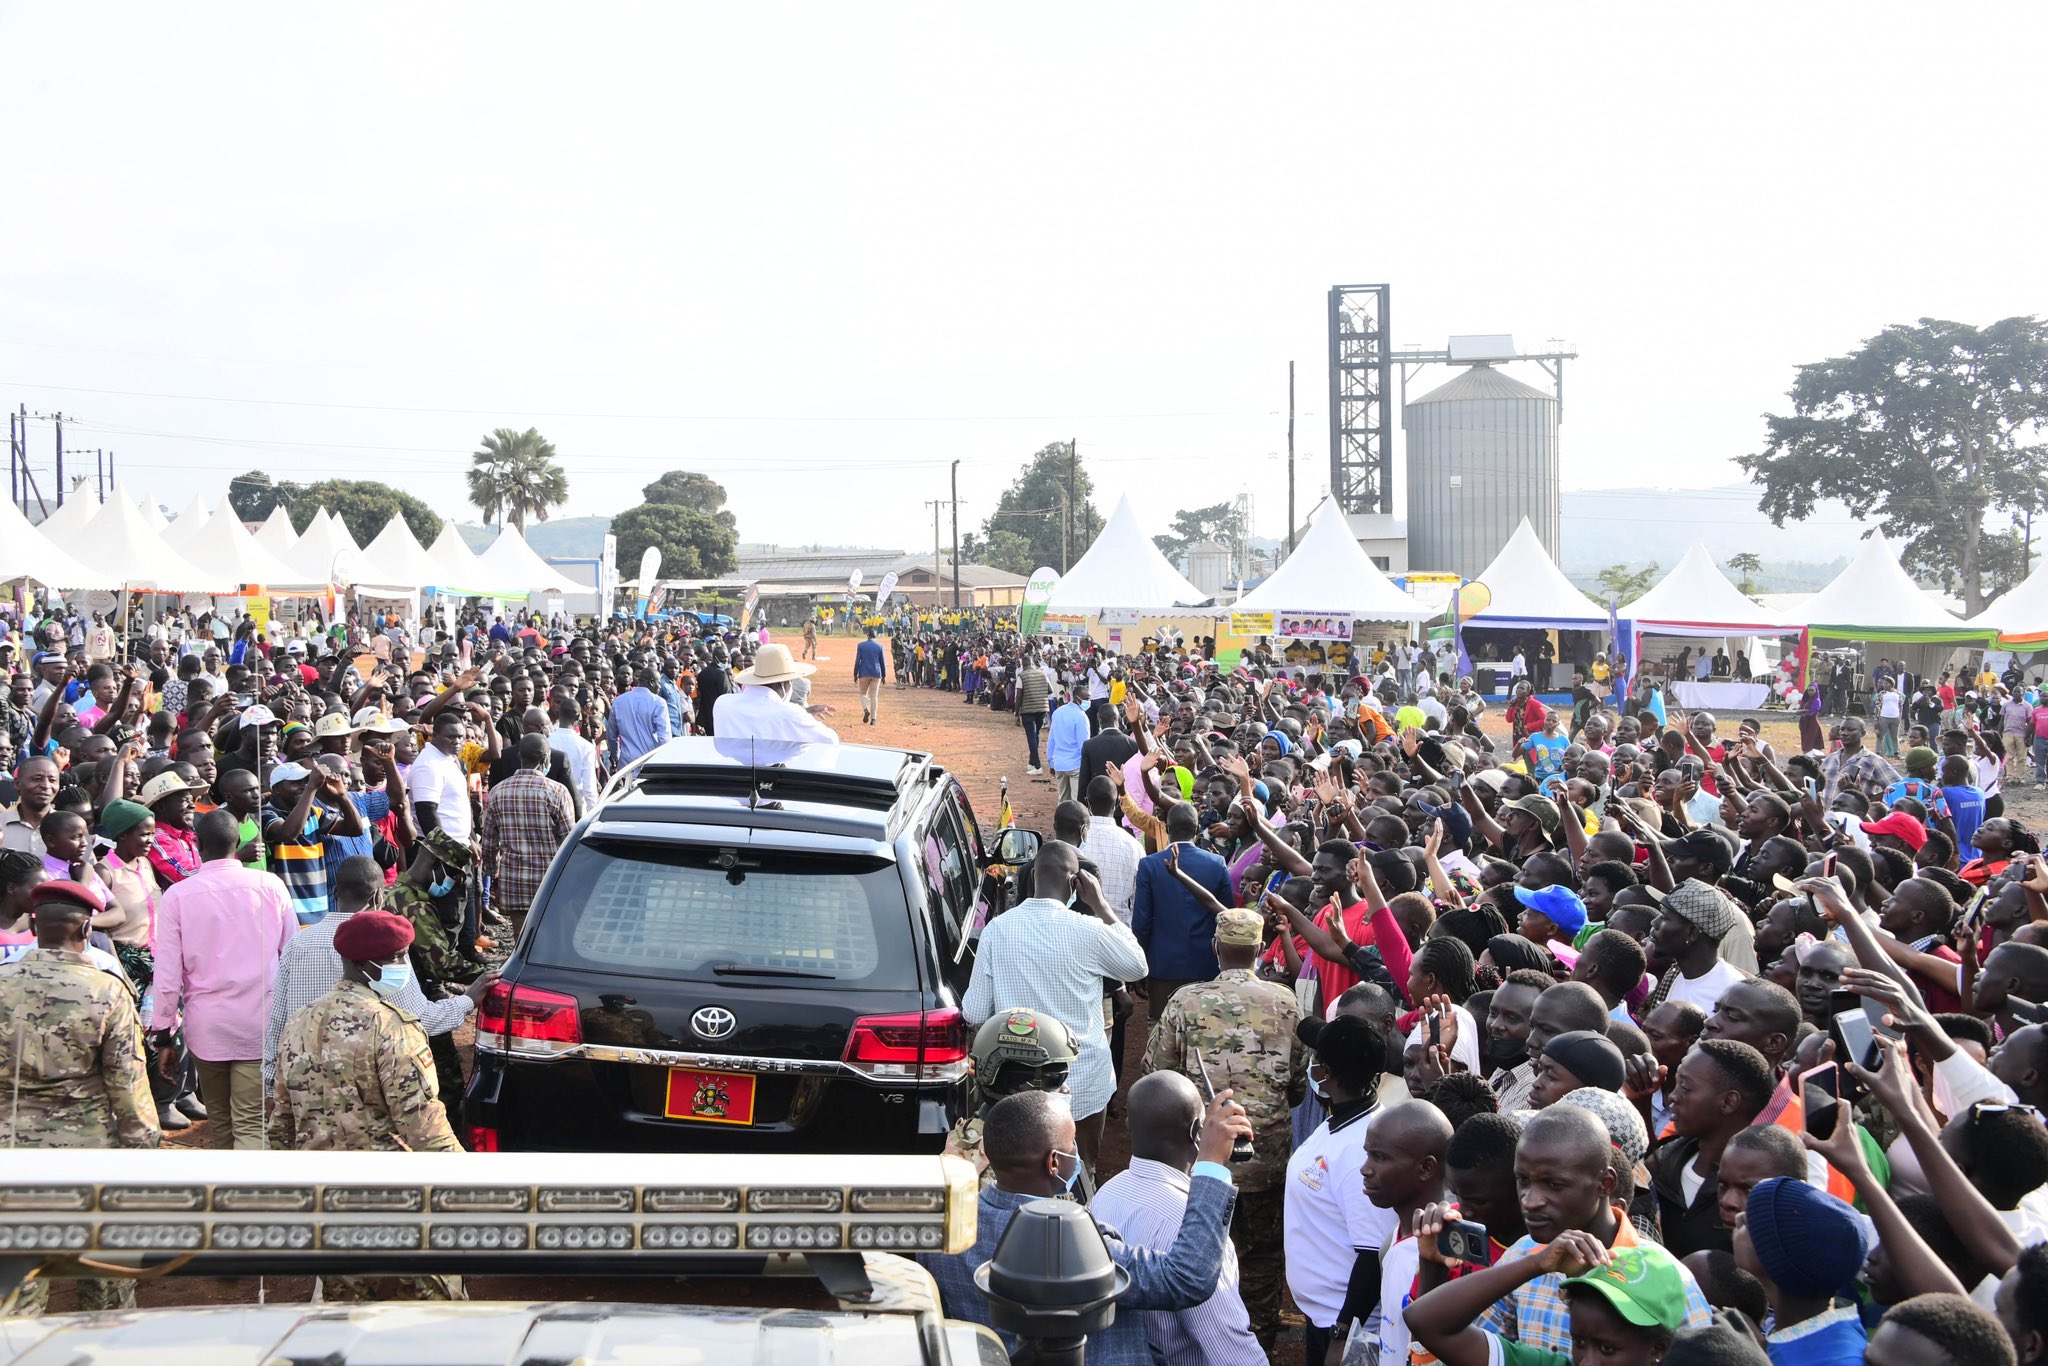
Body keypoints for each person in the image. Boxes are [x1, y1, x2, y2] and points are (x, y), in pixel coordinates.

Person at [921, 1087, 1251, 1362]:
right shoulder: (1071, 1243)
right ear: (1054, 1162)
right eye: (1072, 1143)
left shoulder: (946, 1228)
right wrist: (1210, 1165)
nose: (1076, 1152)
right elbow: (1186, 1278)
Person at [268, 906, 464, 1303]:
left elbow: (281, 1122)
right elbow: (423, 1126)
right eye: (399, 958)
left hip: (327, 1203)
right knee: (433, 1318)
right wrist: (471, 1184)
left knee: (347, 1319)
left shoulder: (301, 1022)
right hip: (391, 1205)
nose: (403, 965)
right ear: (370, 964)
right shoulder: (393, 1028)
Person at [1143, 906, 1306, 1348]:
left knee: (1196, 1248)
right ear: (1258, 950)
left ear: (1216, 948)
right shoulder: (1287, 1001)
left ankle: (1199, 1340)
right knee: (1262, 1257)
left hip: (1202, 1157)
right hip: (1265, 1155)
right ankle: (1257, 1343)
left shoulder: (1185, 1000)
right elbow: (1297, 1085)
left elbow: (1159, 1075)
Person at [0, 878, 159, 1312]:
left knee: (14, 1288)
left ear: (34, 925)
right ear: (87, 930)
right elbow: (128, 1086)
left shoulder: (2, 983)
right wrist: (144, 1157)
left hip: (12, 1157)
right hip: (89, 1155)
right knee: (103, 1278)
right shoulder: (106, 989)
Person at [962, 839, 1147, 1174]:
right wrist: (1103, 906)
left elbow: (974, 1013)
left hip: (1017, 1083)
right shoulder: (1090, 930)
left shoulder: (996, 930)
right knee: (1081, 1172)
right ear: (1075, 882)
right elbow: (1137, 967)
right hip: (1085, 1081)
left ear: (1033, 877)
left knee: (1019, 1174)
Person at [1476, 1106, 1713, 1352]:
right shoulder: (1523, 1255)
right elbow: (1461, 1343)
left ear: (1605, 1183)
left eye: (1554, 1185)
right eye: (1523, 1180)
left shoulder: (1667, 1277)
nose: (1530, 1200)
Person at [1089, 1072, 1267, 1366]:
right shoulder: (1196, 1226)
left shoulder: (1106, 1193)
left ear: (1129, 1125)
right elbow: (1228, 1345)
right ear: (1198, 1131)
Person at [150, 808, 296, 1149]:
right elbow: (291, 955)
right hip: (259, 1021)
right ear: (238, 842)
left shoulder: (178, 896)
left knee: (220, 1121)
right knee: (251, 1121)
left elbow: (168, 974)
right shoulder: (270, 885)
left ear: (198, 845)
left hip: (207, 1026)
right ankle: (248, 1198)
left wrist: (163, 1035)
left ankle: (229, 1195)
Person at [1285, 1013, 1397, 1363]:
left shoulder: (1361, 1148)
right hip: (1324, 1314)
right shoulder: (1342, 1120)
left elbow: (1372, 1256)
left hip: (1344, 1323)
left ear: (1325, 1074)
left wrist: (1343, 1333)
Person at [1649, 1040, 1775, 1257]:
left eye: (1686, 1087)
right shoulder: (1663, 1161)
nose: (1673, 1097)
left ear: (1728, 1102)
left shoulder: (1759, 1194)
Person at [1729, 1177, 1868, 1366]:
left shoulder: (1837, 1361)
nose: (1738, 1219)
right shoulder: (1831, 1328)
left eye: (1748, 1222)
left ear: (1771, 1258)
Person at [944, 1006, 1080, 1186]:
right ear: (1020, 1087)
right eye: (1056, 1080)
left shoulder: (1021, 1141)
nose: (1064, 1089)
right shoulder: (1001, 1167)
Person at [1364, 1099, 1456, 1366]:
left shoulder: (1447, 1252)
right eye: (1368, 1154)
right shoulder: (1393, 1239)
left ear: (1427, 1168)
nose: (1365, 1168)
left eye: (1379, 1157)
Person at [1133, 807, 1233, 1005]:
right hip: (1206, 965)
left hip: (1163, 965)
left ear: (1167, 828)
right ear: (1197, 829)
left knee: (1161, 1027)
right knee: (1203, 1028)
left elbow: (1141, 922)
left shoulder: (1149, 865)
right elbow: (1226, 915)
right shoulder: (1217, 863)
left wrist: (1139, 965)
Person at [481, 733, 575, 934]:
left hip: (514, 879)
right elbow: (569, 840)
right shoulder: (557, 792)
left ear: (519, 757)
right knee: (551, 933)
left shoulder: (497, 792)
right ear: (546, 759)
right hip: (551, 878)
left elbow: (489, 843)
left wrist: (490, 873)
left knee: (520, 937)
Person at [711, 644, 838, 744]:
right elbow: (830, 740)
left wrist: (804, 713)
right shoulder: (791, 713)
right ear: (785, 684)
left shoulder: (722, 703)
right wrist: (804, 716)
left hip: (728, 774)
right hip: (776, 774)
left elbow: (761, 714)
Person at [1048, 690, 1090, 802]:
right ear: (1077, 698)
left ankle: (1061, 819)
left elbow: (1051, 739)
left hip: (1059, 763)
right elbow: (1084, 744)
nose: (1088, 701)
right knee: (1076, 801)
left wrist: (1051, 761)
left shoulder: (1057, 712)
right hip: (1076, 764)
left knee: (1063, 800)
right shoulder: (1081, 716)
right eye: (1086, 698)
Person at [853, 627, 886, 726]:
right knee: (874, 696)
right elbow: (882, 662)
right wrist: (884, 675)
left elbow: (857, 660)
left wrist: (855, 674)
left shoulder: (861, 646)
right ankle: (874, 719)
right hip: (876, 673)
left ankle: (866, 709)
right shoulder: (879, 646)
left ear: (867, 635)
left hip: (864, 672)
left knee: (863, 694)